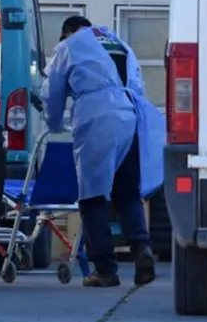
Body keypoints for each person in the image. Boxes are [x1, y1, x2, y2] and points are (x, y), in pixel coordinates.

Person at [41, 15, 165, 287]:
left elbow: (52, 91)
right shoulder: (120, 43)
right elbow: (137, 85)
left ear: (68, 32)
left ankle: (105, 270)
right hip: (131, 117)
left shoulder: (70, 45)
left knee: (93, 198)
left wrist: (54, 124)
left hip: (97, 117)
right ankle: (142, 248)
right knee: (127, 194)